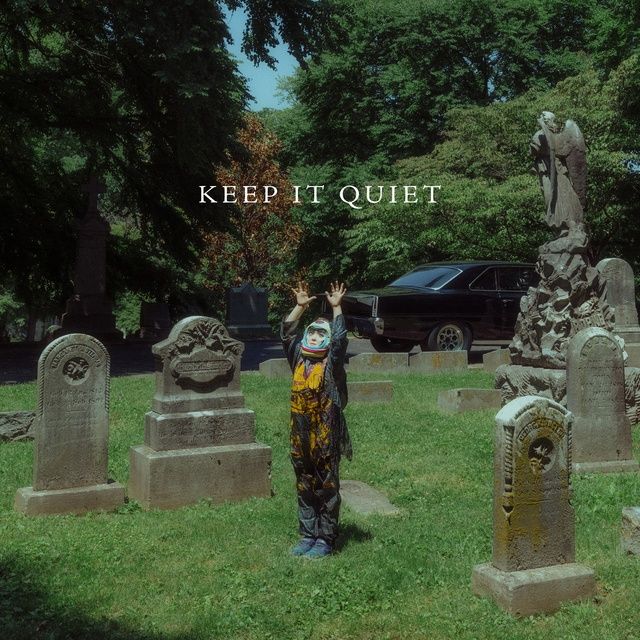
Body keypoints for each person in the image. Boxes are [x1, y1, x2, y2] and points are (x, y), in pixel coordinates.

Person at [281, 280, 352, 558]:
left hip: (325, 433)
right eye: (311, 331)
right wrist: (299, 308)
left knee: (327, 484)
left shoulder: (331, 363)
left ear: (327, 338)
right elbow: (287, 333)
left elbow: (341, 339)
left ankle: (325, 538)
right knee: (304, 481)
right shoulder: (298, 358)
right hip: (300, 434)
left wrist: (336, 308)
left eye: (320, 333)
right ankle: (308, 534)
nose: (313, 337)